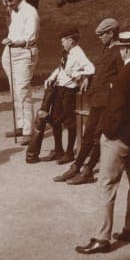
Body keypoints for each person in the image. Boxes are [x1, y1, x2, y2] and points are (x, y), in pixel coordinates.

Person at [76, 29, 130, 254]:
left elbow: (116, 111)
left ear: (124, 50)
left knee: (107, 185)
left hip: (119, 137)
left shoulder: (122, 77)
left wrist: (106, 133)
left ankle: (102, 238)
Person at [57, 17, 123, 185]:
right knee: (88, 135)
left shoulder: (119, 51)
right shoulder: (106, 49)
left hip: (108, 102)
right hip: (97, 100)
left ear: (111, 33)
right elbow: (99, 71)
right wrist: (87, 76)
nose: (99, 37)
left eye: (102, 34)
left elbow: (122, 78)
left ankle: (88, 170)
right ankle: (76, 166)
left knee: (97, 137)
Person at [26, 29, 95, 164]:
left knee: (69, 122)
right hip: (59, 89)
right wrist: (51, 77)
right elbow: (61, 69)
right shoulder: (67, 53)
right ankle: (59, 151)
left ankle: (69, 153)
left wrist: (82, 75)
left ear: (70, 40)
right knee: (54, 120)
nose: (62, 43)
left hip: (69, 92)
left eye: (63, 41)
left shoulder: (79, 53)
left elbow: (91, 68)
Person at [0, 0, 39, 143]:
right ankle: (21, 125)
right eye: (5, 1)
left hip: (24, 54)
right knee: (14, 91)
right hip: (10, 54)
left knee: (23, 91)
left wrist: (15, 43)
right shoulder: (14, 11)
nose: (8, 4)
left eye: (11, 0)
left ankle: (29, 131)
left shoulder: (30, 12)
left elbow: (30, 38)